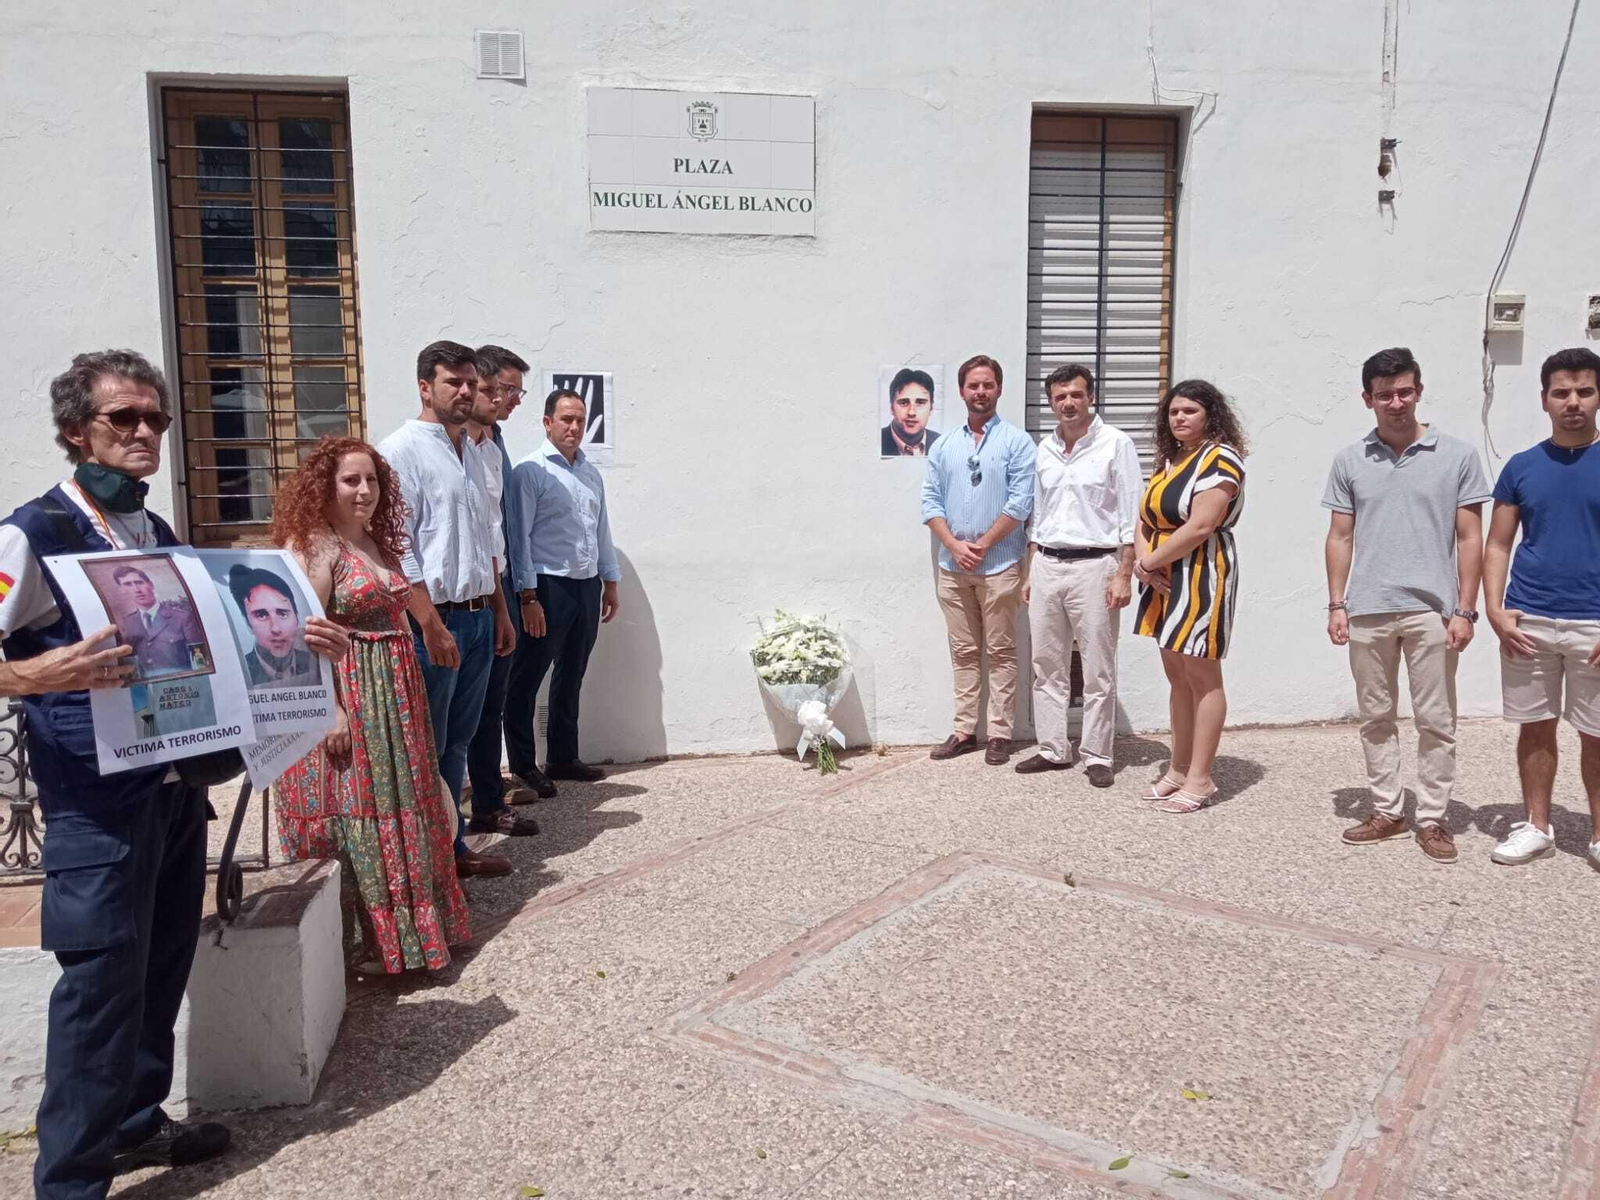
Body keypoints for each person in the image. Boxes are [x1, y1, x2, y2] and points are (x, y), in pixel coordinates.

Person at [0, 349, 348, 1198]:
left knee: (160, 968)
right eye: (124, 417)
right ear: (75, 430)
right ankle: (70, 1183)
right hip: (95, 803)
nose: (145, 431)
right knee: (99, 989)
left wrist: (301, 646)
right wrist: (34, 674)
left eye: (155, 417)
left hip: (174, 787)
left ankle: (134, 1125)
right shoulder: (32, 532)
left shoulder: (154, 533)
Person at [270, 437, 483, 968]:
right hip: (350, 696)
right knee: (359, 812)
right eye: (351, 480)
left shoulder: (375, 540)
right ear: (324, 487)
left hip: (394, 699)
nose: (364, 490)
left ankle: (409, 941)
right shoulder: (314, 546)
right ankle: (363, 946)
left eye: (372, 480)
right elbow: (298, 641)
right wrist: (330, 711)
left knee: (399, 808)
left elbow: (398, 610)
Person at [1324, 347, 1491, 864]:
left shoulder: (1458, 456)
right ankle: (1387, 810)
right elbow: (1340, 536)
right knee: (1375, 717)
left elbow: (1470, 537)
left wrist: (1466, 609)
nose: (1396, 402)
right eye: (1384, 395)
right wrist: (1336, 604)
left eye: (1404, 392)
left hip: (1432, 610)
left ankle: (1434, 818)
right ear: (1367, 399)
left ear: (1418, 391)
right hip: (1368, 607)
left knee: (1436, 720)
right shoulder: (1350, 460)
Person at [377, 341, 533, 874]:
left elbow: (487, 540)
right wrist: (429, 624)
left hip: (478, 615)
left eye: (471, 382)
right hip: (436, 622)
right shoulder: (401, 450)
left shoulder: (473, 450)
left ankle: (451, 848)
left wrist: (500, 612)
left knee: (460, 743)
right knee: (429, 744)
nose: (465, 391)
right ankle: (427, 861)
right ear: (426, 388)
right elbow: (398, 548)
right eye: (453, 382)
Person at [1483, 347, 1600, 870]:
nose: (1573, 402)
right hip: (1527, 619)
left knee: (1597, 733)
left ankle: (1599, 835)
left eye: (1584, 391)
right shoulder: (1522, 467)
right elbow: (1498, 544)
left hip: (1594, 622)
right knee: (1535, 726)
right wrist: (1494, 608)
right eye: (1561, 393)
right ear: (1544, 400)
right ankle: (1536, 826)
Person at [1017, 364, 1141, 786]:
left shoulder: (1116, 444)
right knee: (1046, 665)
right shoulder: (1044, 449)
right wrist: (1031, 569)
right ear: (1050, 402)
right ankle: (1053, 749)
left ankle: (1097, 755)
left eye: (1076, 394)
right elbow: (1039, 514)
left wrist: (1124, 574)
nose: (1068, 403)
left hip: (1096, 566)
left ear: (1091, 397)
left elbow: (1131, 516)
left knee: (1097, 668)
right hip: (1047, 565)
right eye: (1060, 397)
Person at [1133, 379, 1247, 813]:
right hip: (1161, 574)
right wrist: (1145, 562)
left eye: (1190, 411)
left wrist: (1148, 563)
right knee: (1177, 674)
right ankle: (1178, 768)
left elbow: (1201, 525)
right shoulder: (1170, 461)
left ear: (1210, 415)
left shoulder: (1220, 458)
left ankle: (1201, 778)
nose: (1179, 418)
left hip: (1202, 572)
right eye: (1174, 411)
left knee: (1202, 674)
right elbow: (1143, 518)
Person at [920, 354, 1037, 765]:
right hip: (953, 569)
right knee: (964, 652)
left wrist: (984, 543)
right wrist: (954, 545)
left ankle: (1000, 733)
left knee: (1002, 651)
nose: (981, 392)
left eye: (988, 384)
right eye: (973, 385)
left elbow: (1021, 503)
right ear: (961, 391)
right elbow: (930, 501)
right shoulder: (943, 445)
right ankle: (964, 730)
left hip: (1001, 565)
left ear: (999, 389)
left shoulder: (1018, 443)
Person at [506, 388, 622, 786]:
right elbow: (518, 538)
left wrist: (610, 581)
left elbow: (601, 529)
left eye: (580, 420)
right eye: (566, 419)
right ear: (547, 422)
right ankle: (523, 766)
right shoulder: (530, 472)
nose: (574, 427)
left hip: (586, 587)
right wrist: (528, 596)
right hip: (546, 587)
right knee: (526, 678)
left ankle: (563, 758)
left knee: (572, 674)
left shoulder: (590, 474)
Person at [465, 344, 551, 809]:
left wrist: (517, 595)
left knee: (491, 702)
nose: (513, 399)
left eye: (517, 391)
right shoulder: (451, 442)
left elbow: (502, 528)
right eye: (508, 389)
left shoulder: (494, 441)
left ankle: (487, 796)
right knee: (464, 711)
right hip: (458, 599)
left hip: (498, 589)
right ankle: (469, 799)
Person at [226, 564, 320, 688]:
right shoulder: (235, 675)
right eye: (261, 615)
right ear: (247, 623)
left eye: (282, 614)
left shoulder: (317, 665)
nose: (276, 628)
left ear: (296, 617)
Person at [110, 564, 204, 678]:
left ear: (150, 584)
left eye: (139, 582)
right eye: (127, 584)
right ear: (122, 590)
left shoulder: (182, 618)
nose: (136, 590)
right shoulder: (127, 623)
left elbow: (201, 661)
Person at [882, 367, 940, 456]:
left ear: (931, 408)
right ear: (891, 407)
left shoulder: (941, 443)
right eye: (904, 403)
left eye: (920, 403)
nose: (911, 412)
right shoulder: (875, 440)